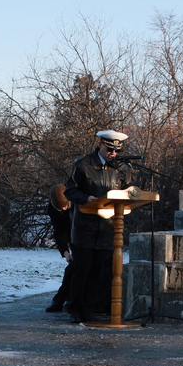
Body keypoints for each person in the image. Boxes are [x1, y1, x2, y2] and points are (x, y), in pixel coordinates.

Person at [63, 130, 136, 323]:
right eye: (110, 150)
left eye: (116, 151)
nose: (113, 154)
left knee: (98, 272)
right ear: (100, 145)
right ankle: (74, 308)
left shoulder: (122, 168)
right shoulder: (83, 165)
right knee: (82, 270)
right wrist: (86, 198)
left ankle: (88, 308)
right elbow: (70, 191)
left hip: (109, 227)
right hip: (85, 228)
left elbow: (129, 192)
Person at [45, 184, 73, 313]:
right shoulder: (53, 210)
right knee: (72, 268)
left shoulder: (76, 203)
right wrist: (65, 252)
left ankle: (61, 300)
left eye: (65, 206)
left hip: (85, 235)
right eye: (60, 208)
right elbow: (60, 231)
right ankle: (61, 300)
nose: (63, 208)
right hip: (72, 236)